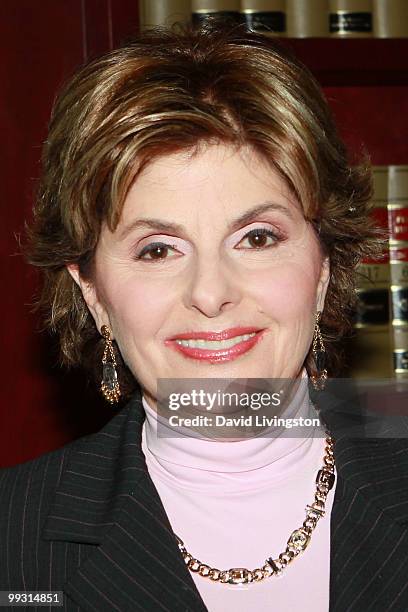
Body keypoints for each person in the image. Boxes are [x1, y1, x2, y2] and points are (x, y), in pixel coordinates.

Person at [1, 21, 407, 612]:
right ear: (91, 292)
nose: (211, 293)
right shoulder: (13, 541)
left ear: (323, 269)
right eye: (158, 250)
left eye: (258, 237)